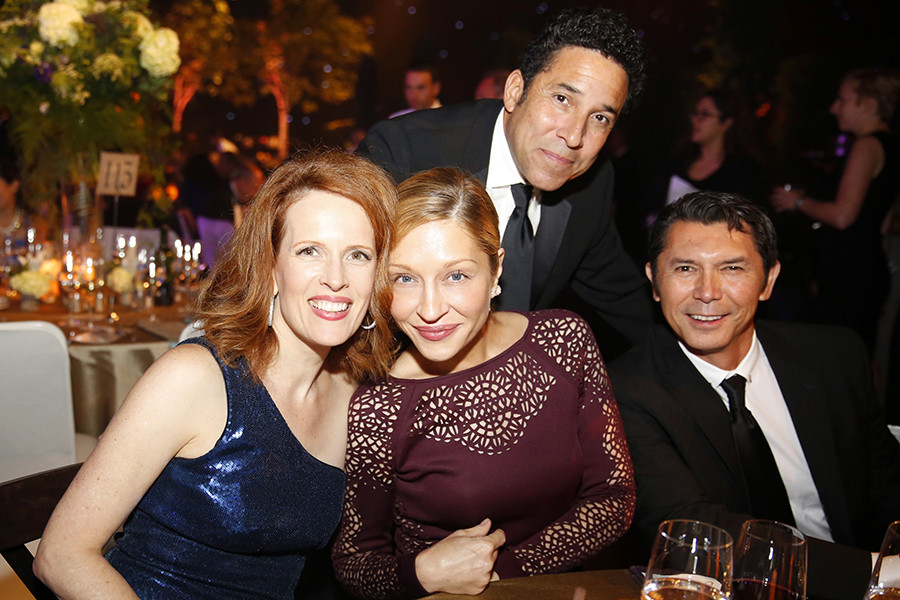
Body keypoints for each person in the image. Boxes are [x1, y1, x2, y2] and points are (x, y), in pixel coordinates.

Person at [33, 149, 399, 599]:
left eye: (358, 255)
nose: (336, 278)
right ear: (270, 265)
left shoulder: (354, 394)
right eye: (310, 251)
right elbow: (62, 554)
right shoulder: (197, 378)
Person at [332, 168, 635, 599]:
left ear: (496, 273)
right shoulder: (378, 407)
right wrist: (422, 573)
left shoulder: (564, 340)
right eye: (405, 279)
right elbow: (355, 563)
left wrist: (501, 571)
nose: (430, 309)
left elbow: (613, 499)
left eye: (456, 275)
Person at [609, 191, 900, 600]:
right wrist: (880, 571)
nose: (707, 292)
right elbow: (690, 526)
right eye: (685, 268)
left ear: (769, 281)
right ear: (654, 282)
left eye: (732, 268)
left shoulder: (835, 357)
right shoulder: (626, 390)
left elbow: (887, 484)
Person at [359, 7, 652, 359]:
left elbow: (625, 300)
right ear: (515, 91)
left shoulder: (591, 184)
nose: (575, 136)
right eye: (562, 99)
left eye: (600, 118)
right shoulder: (404, 152)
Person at [771, 67, 900, 353]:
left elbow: (843, 216)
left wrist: (798, 203)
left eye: (842, 100)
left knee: (832, 358)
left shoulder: (867, 146)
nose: (833, 109)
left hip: (850, 276)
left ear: (868, 105)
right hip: (863, 270)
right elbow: (882, 221)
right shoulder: (889, 146)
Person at [646, 88, 762, 217]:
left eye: (705, 114)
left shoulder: (741, 172)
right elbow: (651, 207)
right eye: (695, 113)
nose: (695, 120)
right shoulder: (677, 163)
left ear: (726, 123)